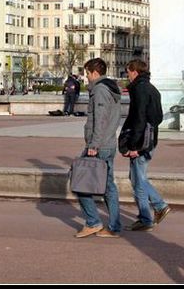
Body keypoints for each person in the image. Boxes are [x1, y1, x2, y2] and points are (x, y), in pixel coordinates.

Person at [119, 59, 171, 232]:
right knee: (136, 178)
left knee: (139, 179)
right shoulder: (152, 89)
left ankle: (156, 207)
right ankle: (147, 216)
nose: (127, 75)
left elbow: (139, 118)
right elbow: (158, 118)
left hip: (141, 142)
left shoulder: (139, 89)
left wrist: (134, 145)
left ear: (134, 71)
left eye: (128, 71)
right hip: (150, 140)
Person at [74, 58, 122, 238]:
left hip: (99, 146)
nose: (86, 77)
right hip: (108, 144)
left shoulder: (100, 90)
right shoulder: (110, 88)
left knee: (80, 182)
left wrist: (93, 145)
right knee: (108, 186)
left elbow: (100, 119)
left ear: (94, 72)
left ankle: (93, 222)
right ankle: (114, 226)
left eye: (87, 73)